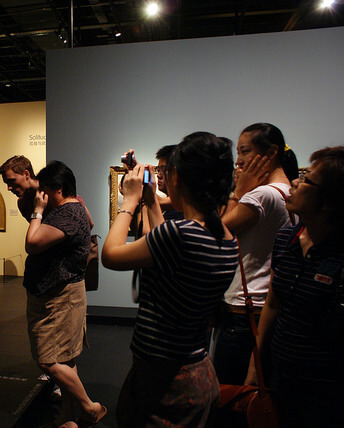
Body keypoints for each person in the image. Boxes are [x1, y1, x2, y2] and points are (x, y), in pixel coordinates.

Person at [102, 132, 238, 427]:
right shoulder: (224, 237)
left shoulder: (181, 234)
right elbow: (164, 245)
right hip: (196, 370)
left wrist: (129, 201)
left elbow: (110, 255)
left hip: (164, 381)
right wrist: (149, 198)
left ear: (176, 177)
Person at [245, 146, 344, 427]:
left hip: (327, 390)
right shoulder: (286, 238)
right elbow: (273, 303)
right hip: (281, 377)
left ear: (329, 202)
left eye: (308, 179)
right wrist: (255, 368)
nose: (296, 182)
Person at [212, 123, 298, 385]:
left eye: (245, 151)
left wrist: (239, 192)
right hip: (267, 302)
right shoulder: (290, 193)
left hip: (243, 308)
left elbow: (218, 231)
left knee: (229, 391)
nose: (239, 159)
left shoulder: (261, 195)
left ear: (271, 153)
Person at [23, 160, 106, 427]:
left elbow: (33, 243)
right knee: (66, 359)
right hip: (58, 293)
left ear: (57, 189)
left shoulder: (67, 213)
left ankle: (90, 407)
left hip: (59, 297)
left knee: (48, 360)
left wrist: (37, 211)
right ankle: (68, 417)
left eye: (44, 189)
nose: (41, 194)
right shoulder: (73, 208)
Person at [154, 144, 184, 221]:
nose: (158, 175)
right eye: (158, 170)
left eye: (163, 170)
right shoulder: (167, 209)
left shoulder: (179, 210)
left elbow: (150, 232)